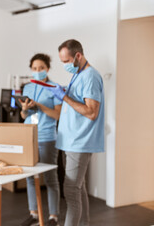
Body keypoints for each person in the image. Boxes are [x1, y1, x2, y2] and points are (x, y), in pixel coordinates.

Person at [46, 39, 104, 226]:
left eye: (66, 61)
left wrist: (64, 97)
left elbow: (91, 112)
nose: (65, 65)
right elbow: (77, 103)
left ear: (78, 55)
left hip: (79, 141)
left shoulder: (90, 76)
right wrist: (65, 93)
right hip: (70, 141)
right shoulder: (78, 74)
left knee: (71, 191)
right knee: (78, 189)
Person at [19, 53, 62, 226]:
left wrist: (40, 106)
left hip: (47, 137)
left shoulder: (54, 87)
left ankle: (53, 217)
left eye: (41, 68)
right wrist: (24, 109)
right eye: (35, 69)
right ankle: (34, 213)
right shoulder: (27, 87)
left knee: (50, 178)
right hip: (29, 137)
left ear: (48, 69)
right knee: (30, 177)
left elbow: (58, 115)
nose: (38, 71)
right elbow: (24, 116)